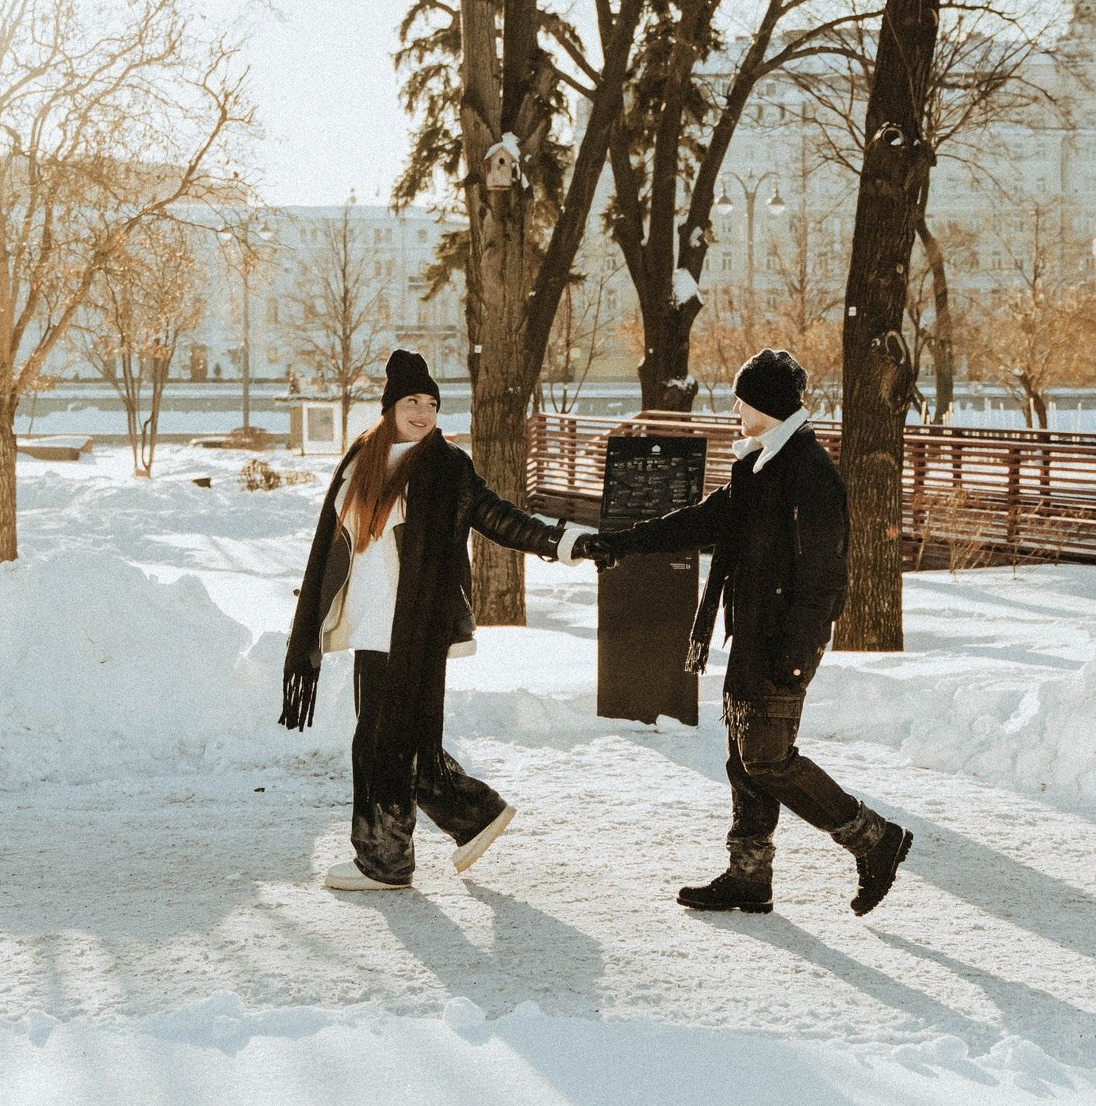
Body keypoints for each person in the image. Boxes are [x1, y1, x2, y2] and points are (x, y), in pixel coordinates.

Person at [580, 348, 913, 916]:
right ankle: (749, 876)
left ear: (766, 404)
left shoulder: (809, 472)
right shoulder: (757, 465)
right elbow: (702, 521)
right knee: (743, 759)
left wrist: (799, 651)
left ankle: (874, 839)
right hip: (750, 636)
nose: (734, 406)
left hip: (783, 643)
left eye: (742, 397)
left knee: (767, 758)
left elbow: (825, 576)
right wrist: (620, 542)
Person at [282, 349, 584, 891]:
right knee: (397, 739)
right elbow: (332, 545)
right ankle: (472, 815)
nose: (423, 412)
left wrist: (559, 542)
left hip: (414, 627)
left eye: (431, 403)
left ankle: (386, 861)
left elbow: (497, 517)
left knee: (382, 743)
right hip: (370, 627)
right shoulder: (361, 461)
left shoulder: (446, 467)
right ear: (390, 406)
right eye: (412, 401)